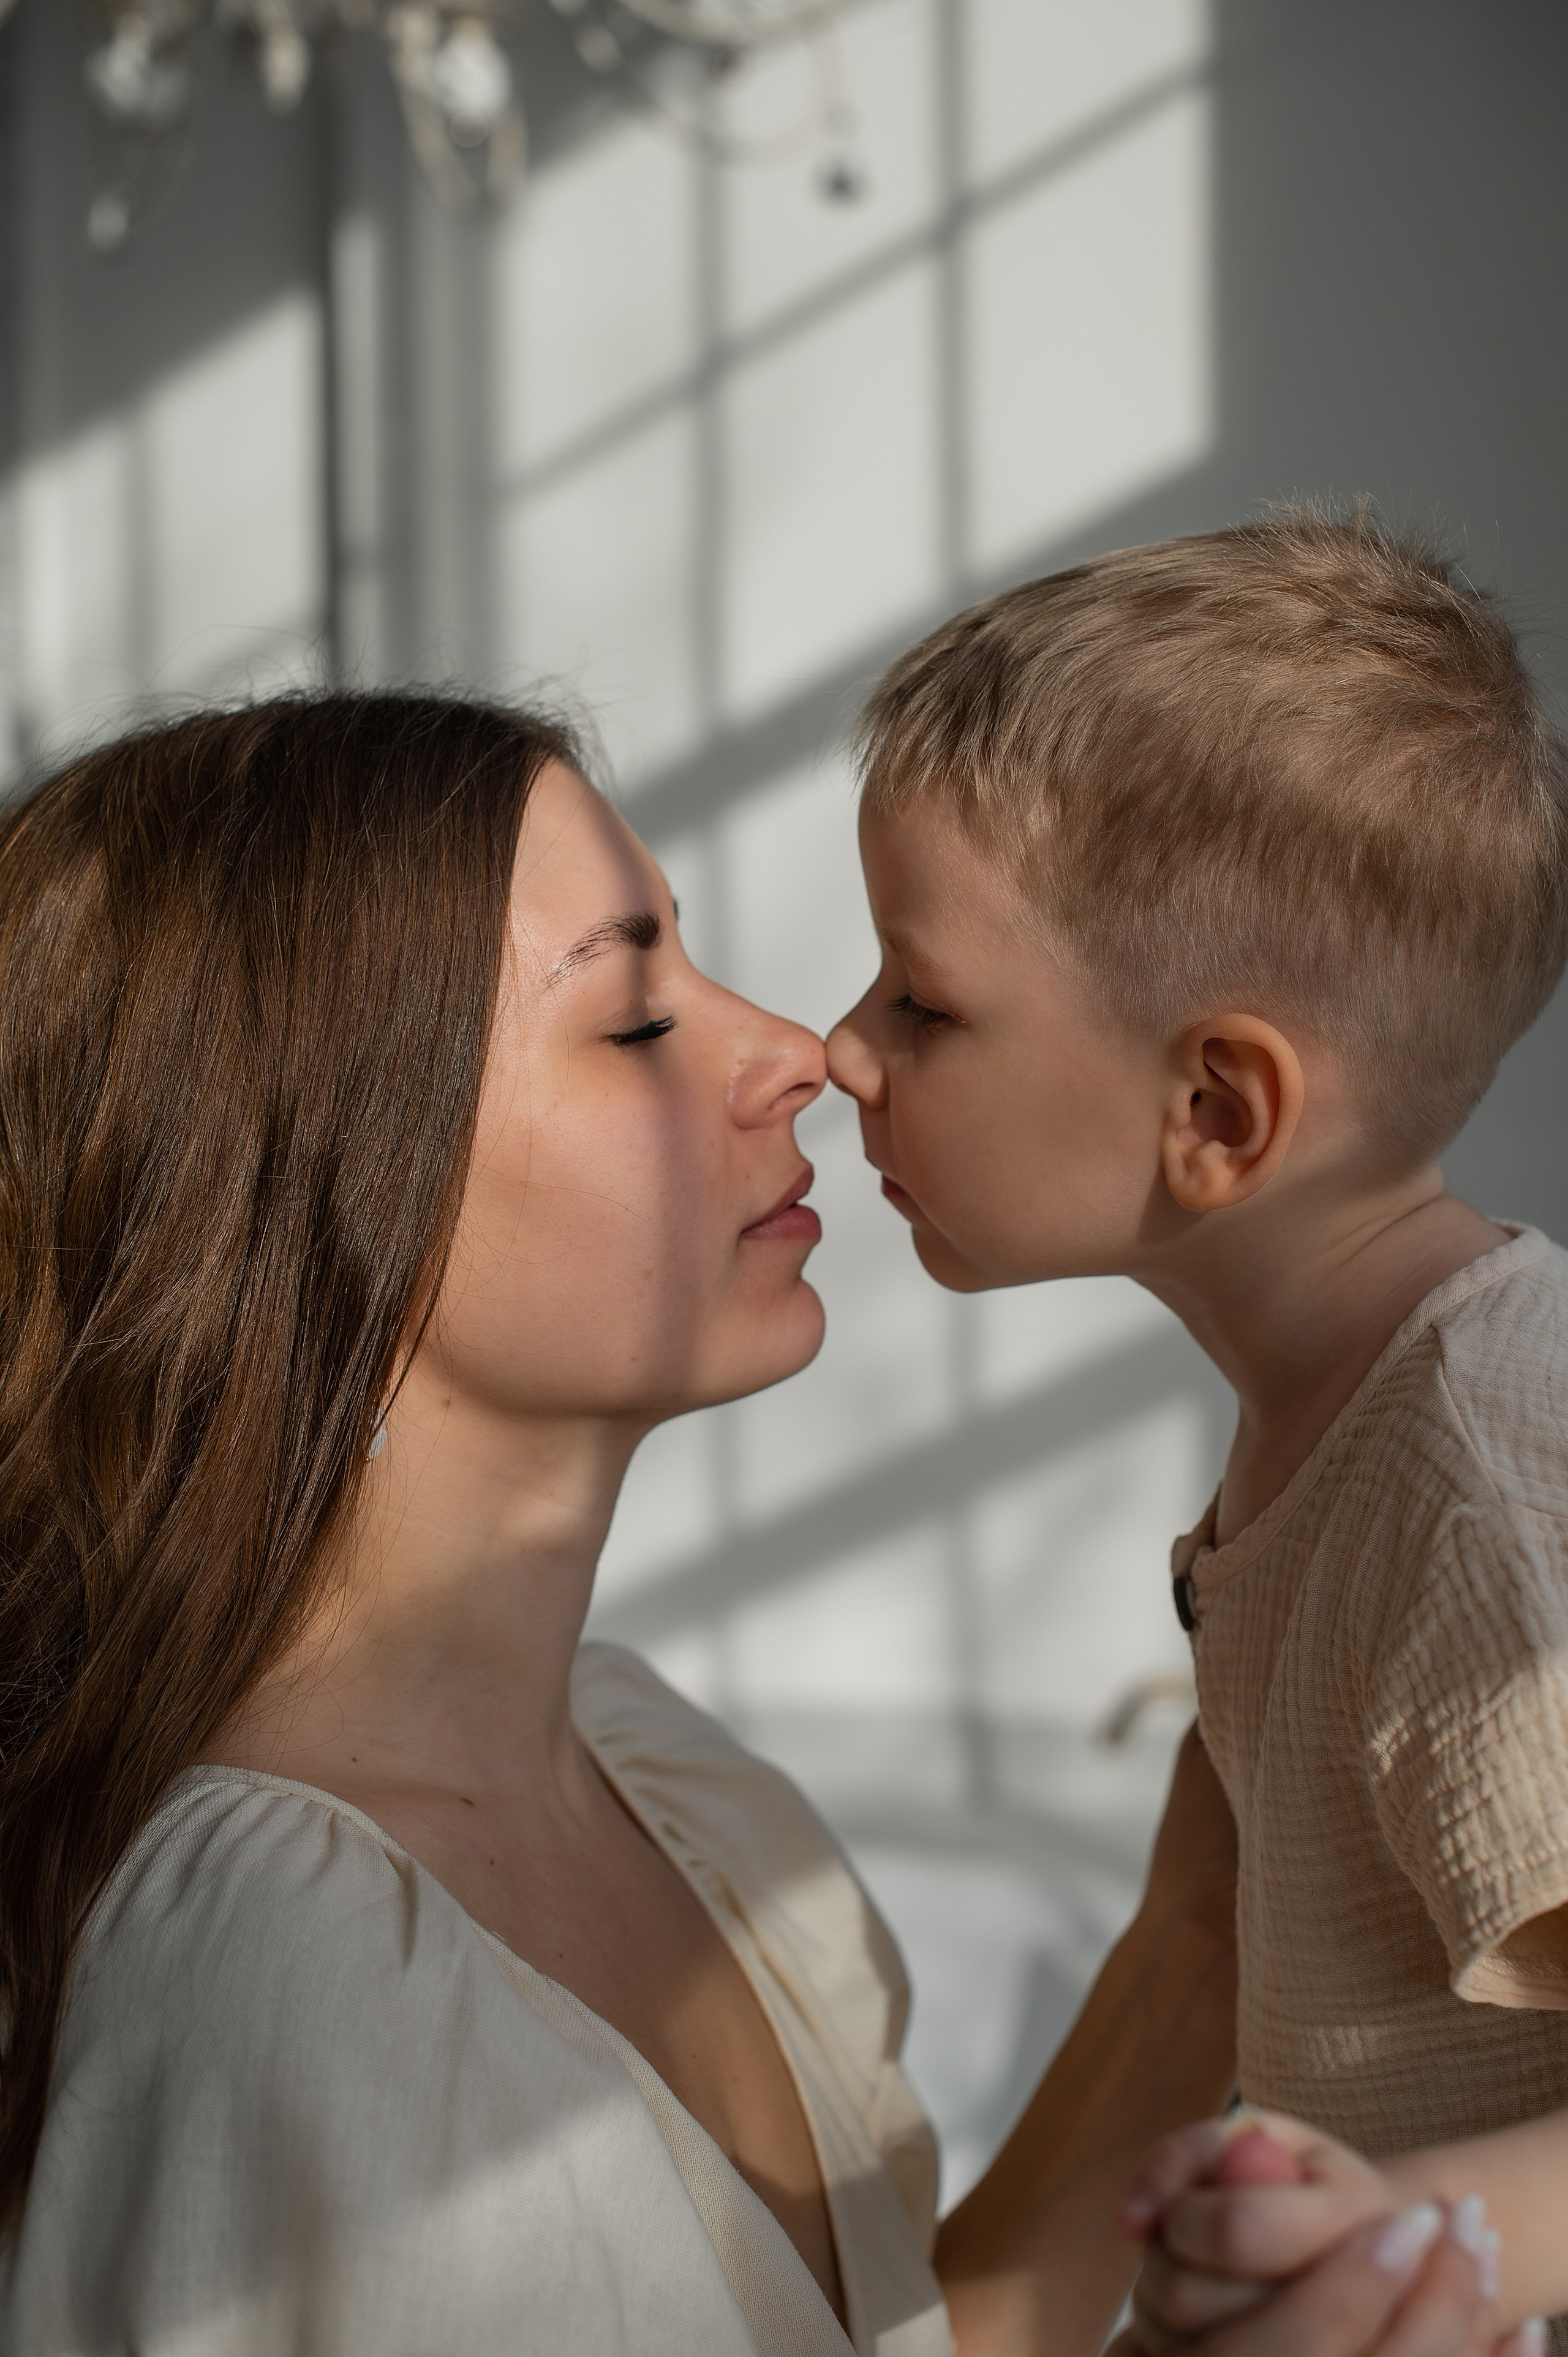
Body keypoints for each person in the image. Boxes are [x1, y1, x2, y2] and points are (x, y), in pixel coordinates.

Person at [0, 689, 1242, 2356]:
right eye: (637, 1018)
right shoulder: (296, 1991)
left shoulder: (657, 1770)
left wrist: (1196, 1935)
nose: (798, 1052)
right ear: (338, 1187)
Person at [825, 508, 1568, 2348]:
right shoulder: (1337, 1414)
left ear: (1219, 1113)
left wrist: (1421, 2237)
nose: (844, 1049)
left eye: (922, 1002)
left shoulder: (1468, 1492)